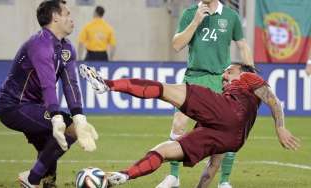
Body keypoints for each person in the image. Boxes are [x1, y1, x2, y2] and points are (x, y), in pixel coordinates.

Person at [79, 63, 300, 188]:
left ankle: (106, 85)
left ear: (242, 71)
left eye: (229, 71)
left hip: (230, 114)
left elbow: (272, 98)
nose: (224, 75)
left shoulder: (247, 78)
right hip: (233, 139)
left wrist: (280, 126)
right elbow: (212, 168)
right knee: (163, 151)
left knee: (165, 90)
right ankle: (124, 176)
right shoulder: (233, 105)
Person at [0, 1, 98, 187]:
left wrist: (79, 116)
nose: (71, 18)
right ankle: (31, 179)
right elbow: (48, 85)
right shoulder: (39, 44)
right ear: (55, 17)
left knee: (49, 144)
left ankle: (48, 183)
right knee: (67, 129)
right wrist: (56, 117)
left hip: (34, 107)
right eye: (67, 13)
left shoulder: (67, 48)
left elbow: (71, 85)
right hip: (13, 106)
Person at [164, 0, 254, 187]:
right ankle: (174, 176)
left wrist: (249, 75)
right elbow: (176, 45)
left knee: (230, 130)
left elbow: (243, 45)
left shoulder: (231, 16)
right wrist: (196, 21)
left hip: (221, 79)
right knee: (179, 123)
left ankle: (224, 181)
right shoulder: (190, 13)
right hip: (194, 76)